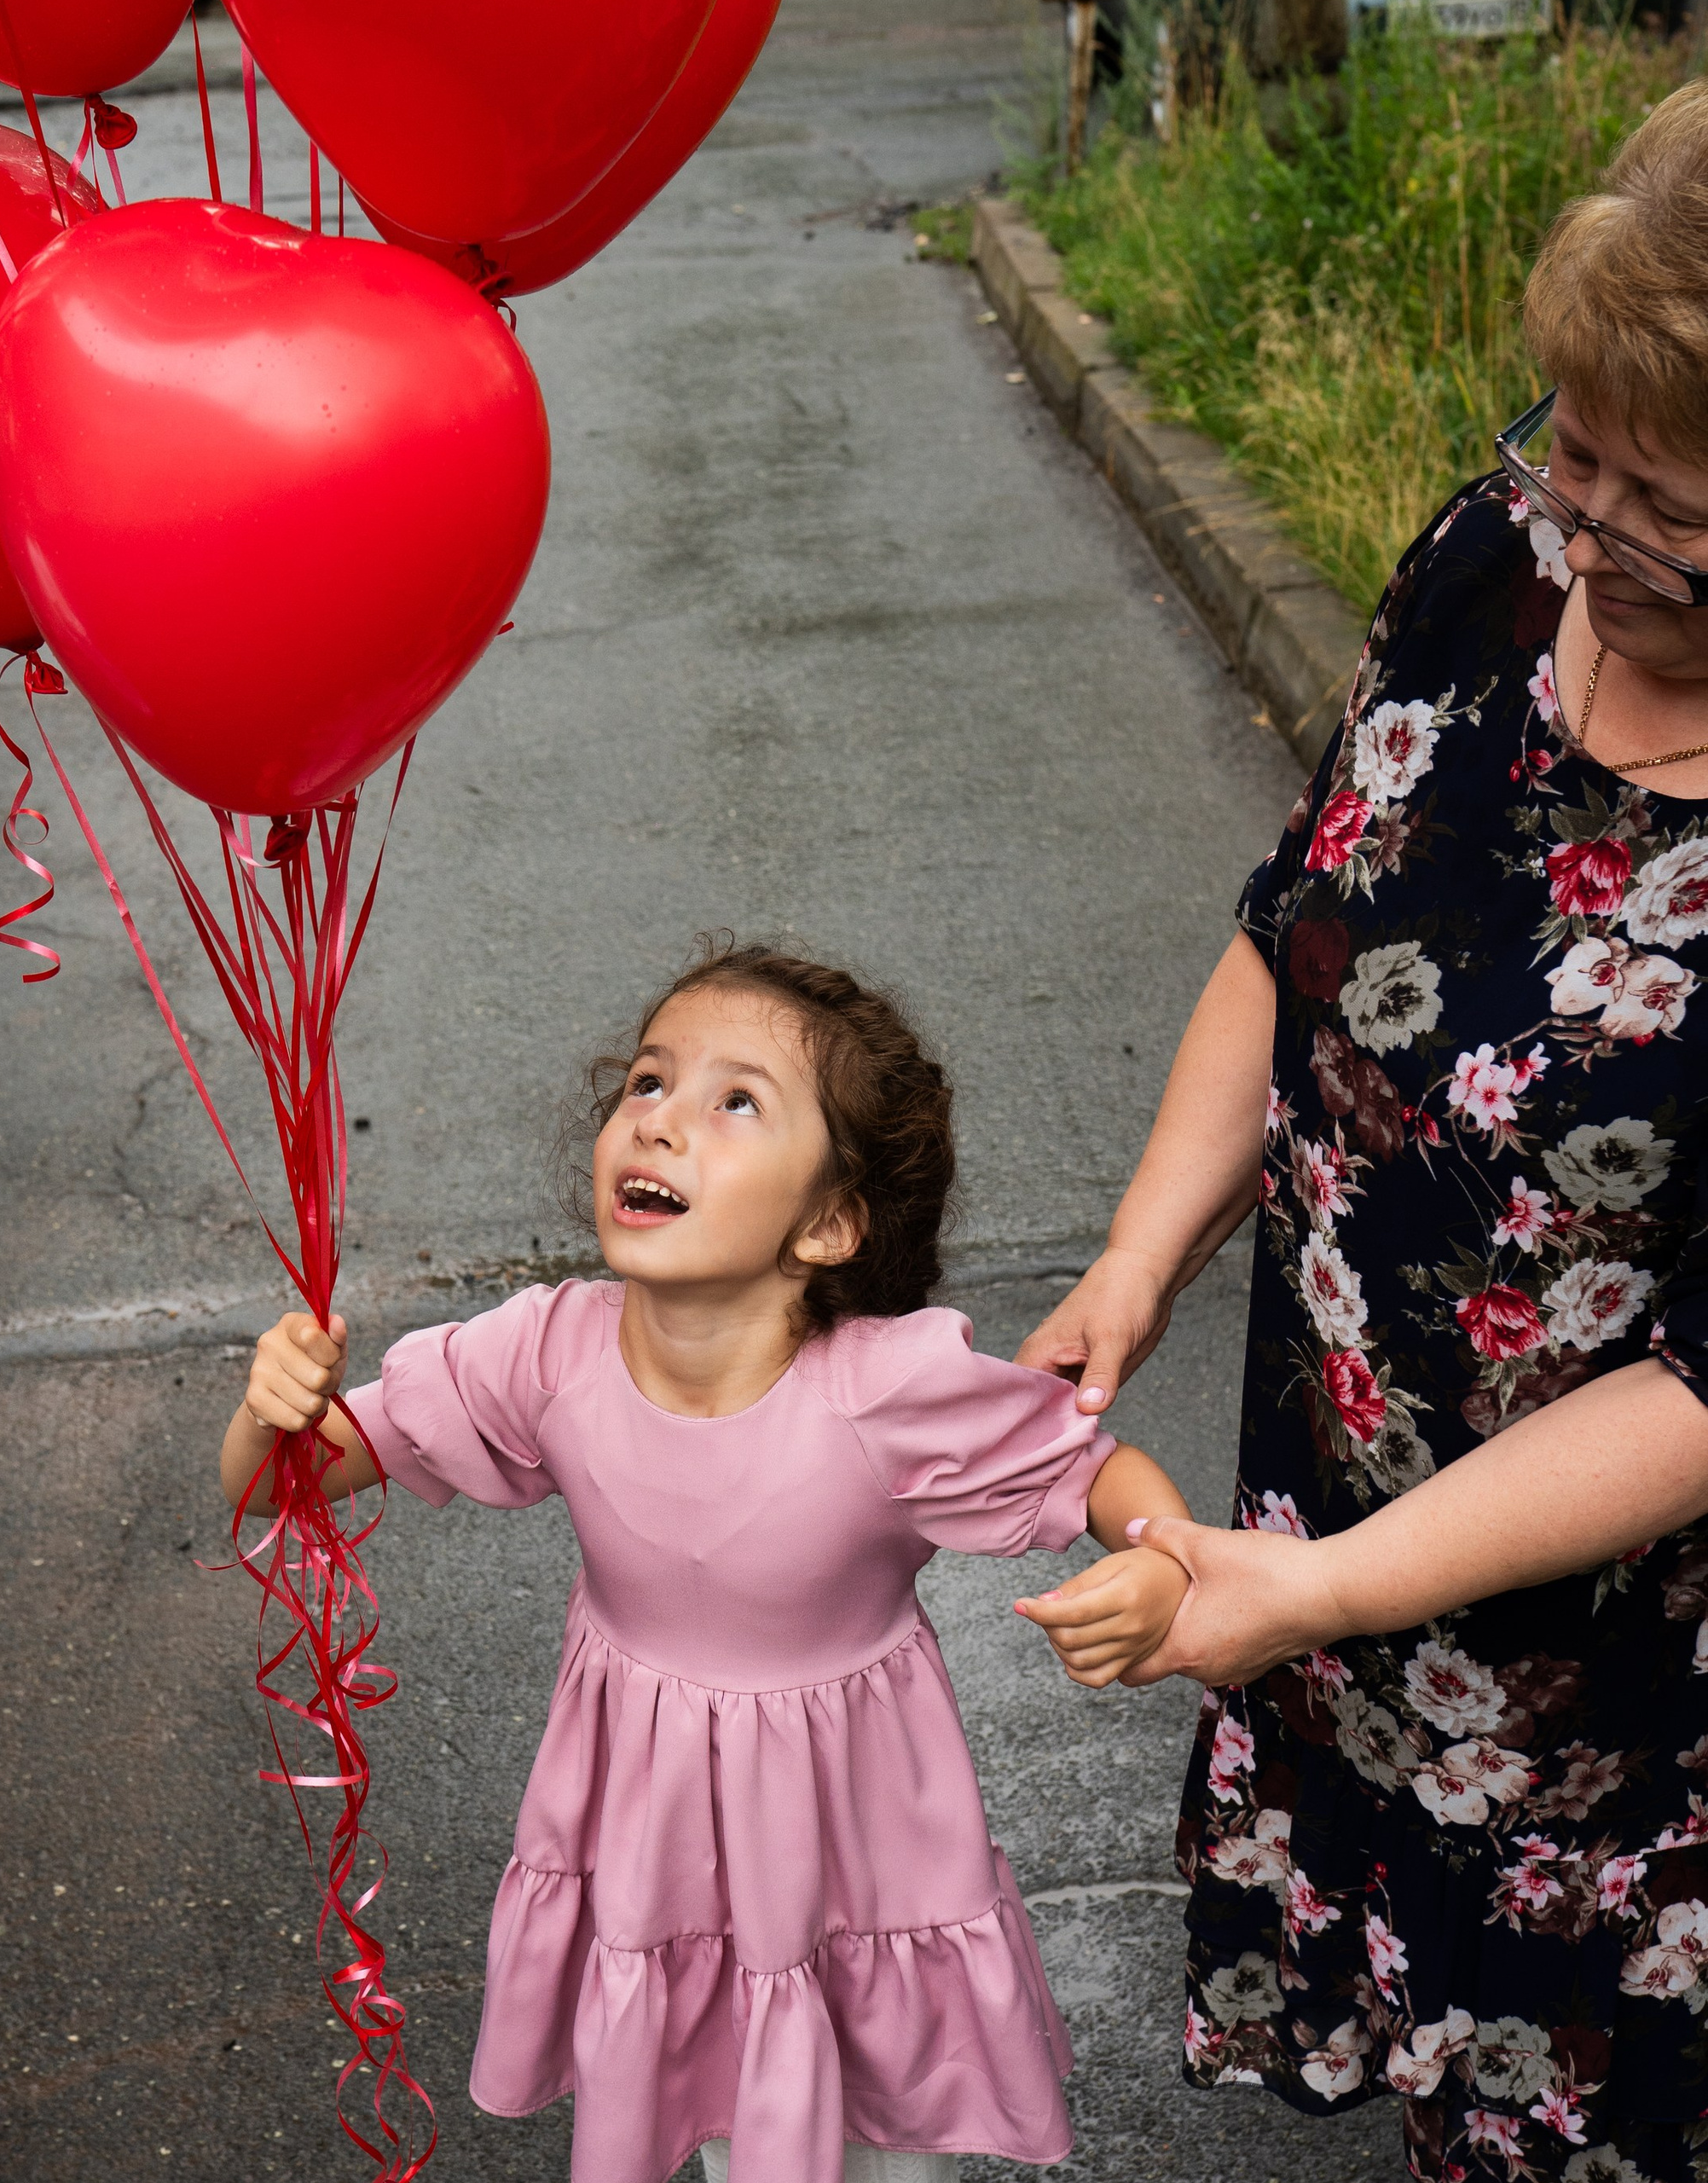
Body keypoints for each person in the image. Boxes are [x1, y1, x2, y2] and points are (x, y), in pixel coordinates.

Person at [1016, 80, 1708, 2183]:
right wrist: (1139, 1256)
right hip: (1321, 1551)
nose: (1575, 524)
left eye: (1647, 502)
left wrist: (1312, 1596)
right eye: (1560, 444)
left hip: (1608, 1711)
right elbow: (1291, 921)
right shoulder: (1492, 569)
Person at [220, 941, 1194, 2183]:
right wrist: (275, 1407)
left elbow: (1098, 1473)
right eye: (647, 1083)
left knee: (868, 2148)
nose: (662, 1124)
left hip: (847, 1848)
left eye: (736, 1102)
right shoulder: (547, 1353)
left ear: (833, 1222)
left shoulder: (888, 1390)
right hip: (654, 1831)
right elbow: (274, 1484)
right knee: (702, 2109)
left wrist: (1162, 1563)